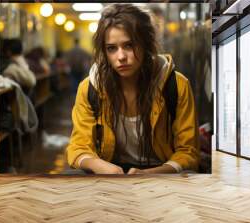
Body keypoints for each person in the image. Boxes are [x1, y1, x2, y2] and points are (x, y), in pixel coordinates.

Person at [66, 3, 199, 174]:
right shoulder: (90, 87)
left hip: (161, 167)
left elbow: (188, 151)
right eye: (111, 48)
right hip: (111, 166)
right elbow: (78, 146)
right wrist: (103, 167)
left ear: (146, 44)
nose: (121, 57)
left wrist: (149, 174)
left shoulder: (176, 85)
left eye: (129, 45)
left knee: (191, 175)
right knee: (72, 174)